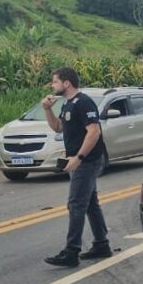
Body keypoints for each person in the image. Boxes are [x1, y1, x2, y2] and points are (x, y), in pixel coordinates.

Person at [42, 67, 111, 267]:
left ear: (66, 83)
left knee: (75, 204)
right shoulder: (67, 104)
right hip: (77, 159)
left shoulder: (83, 102)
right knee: (90, 203)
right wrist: (47, 109)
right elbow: (58, 127)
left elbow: (94, 131)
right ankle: (101, 244)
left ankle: (71, 251)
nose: (52, 86)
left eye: (54, 82)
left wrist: (79, 158)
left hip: (86, 161)